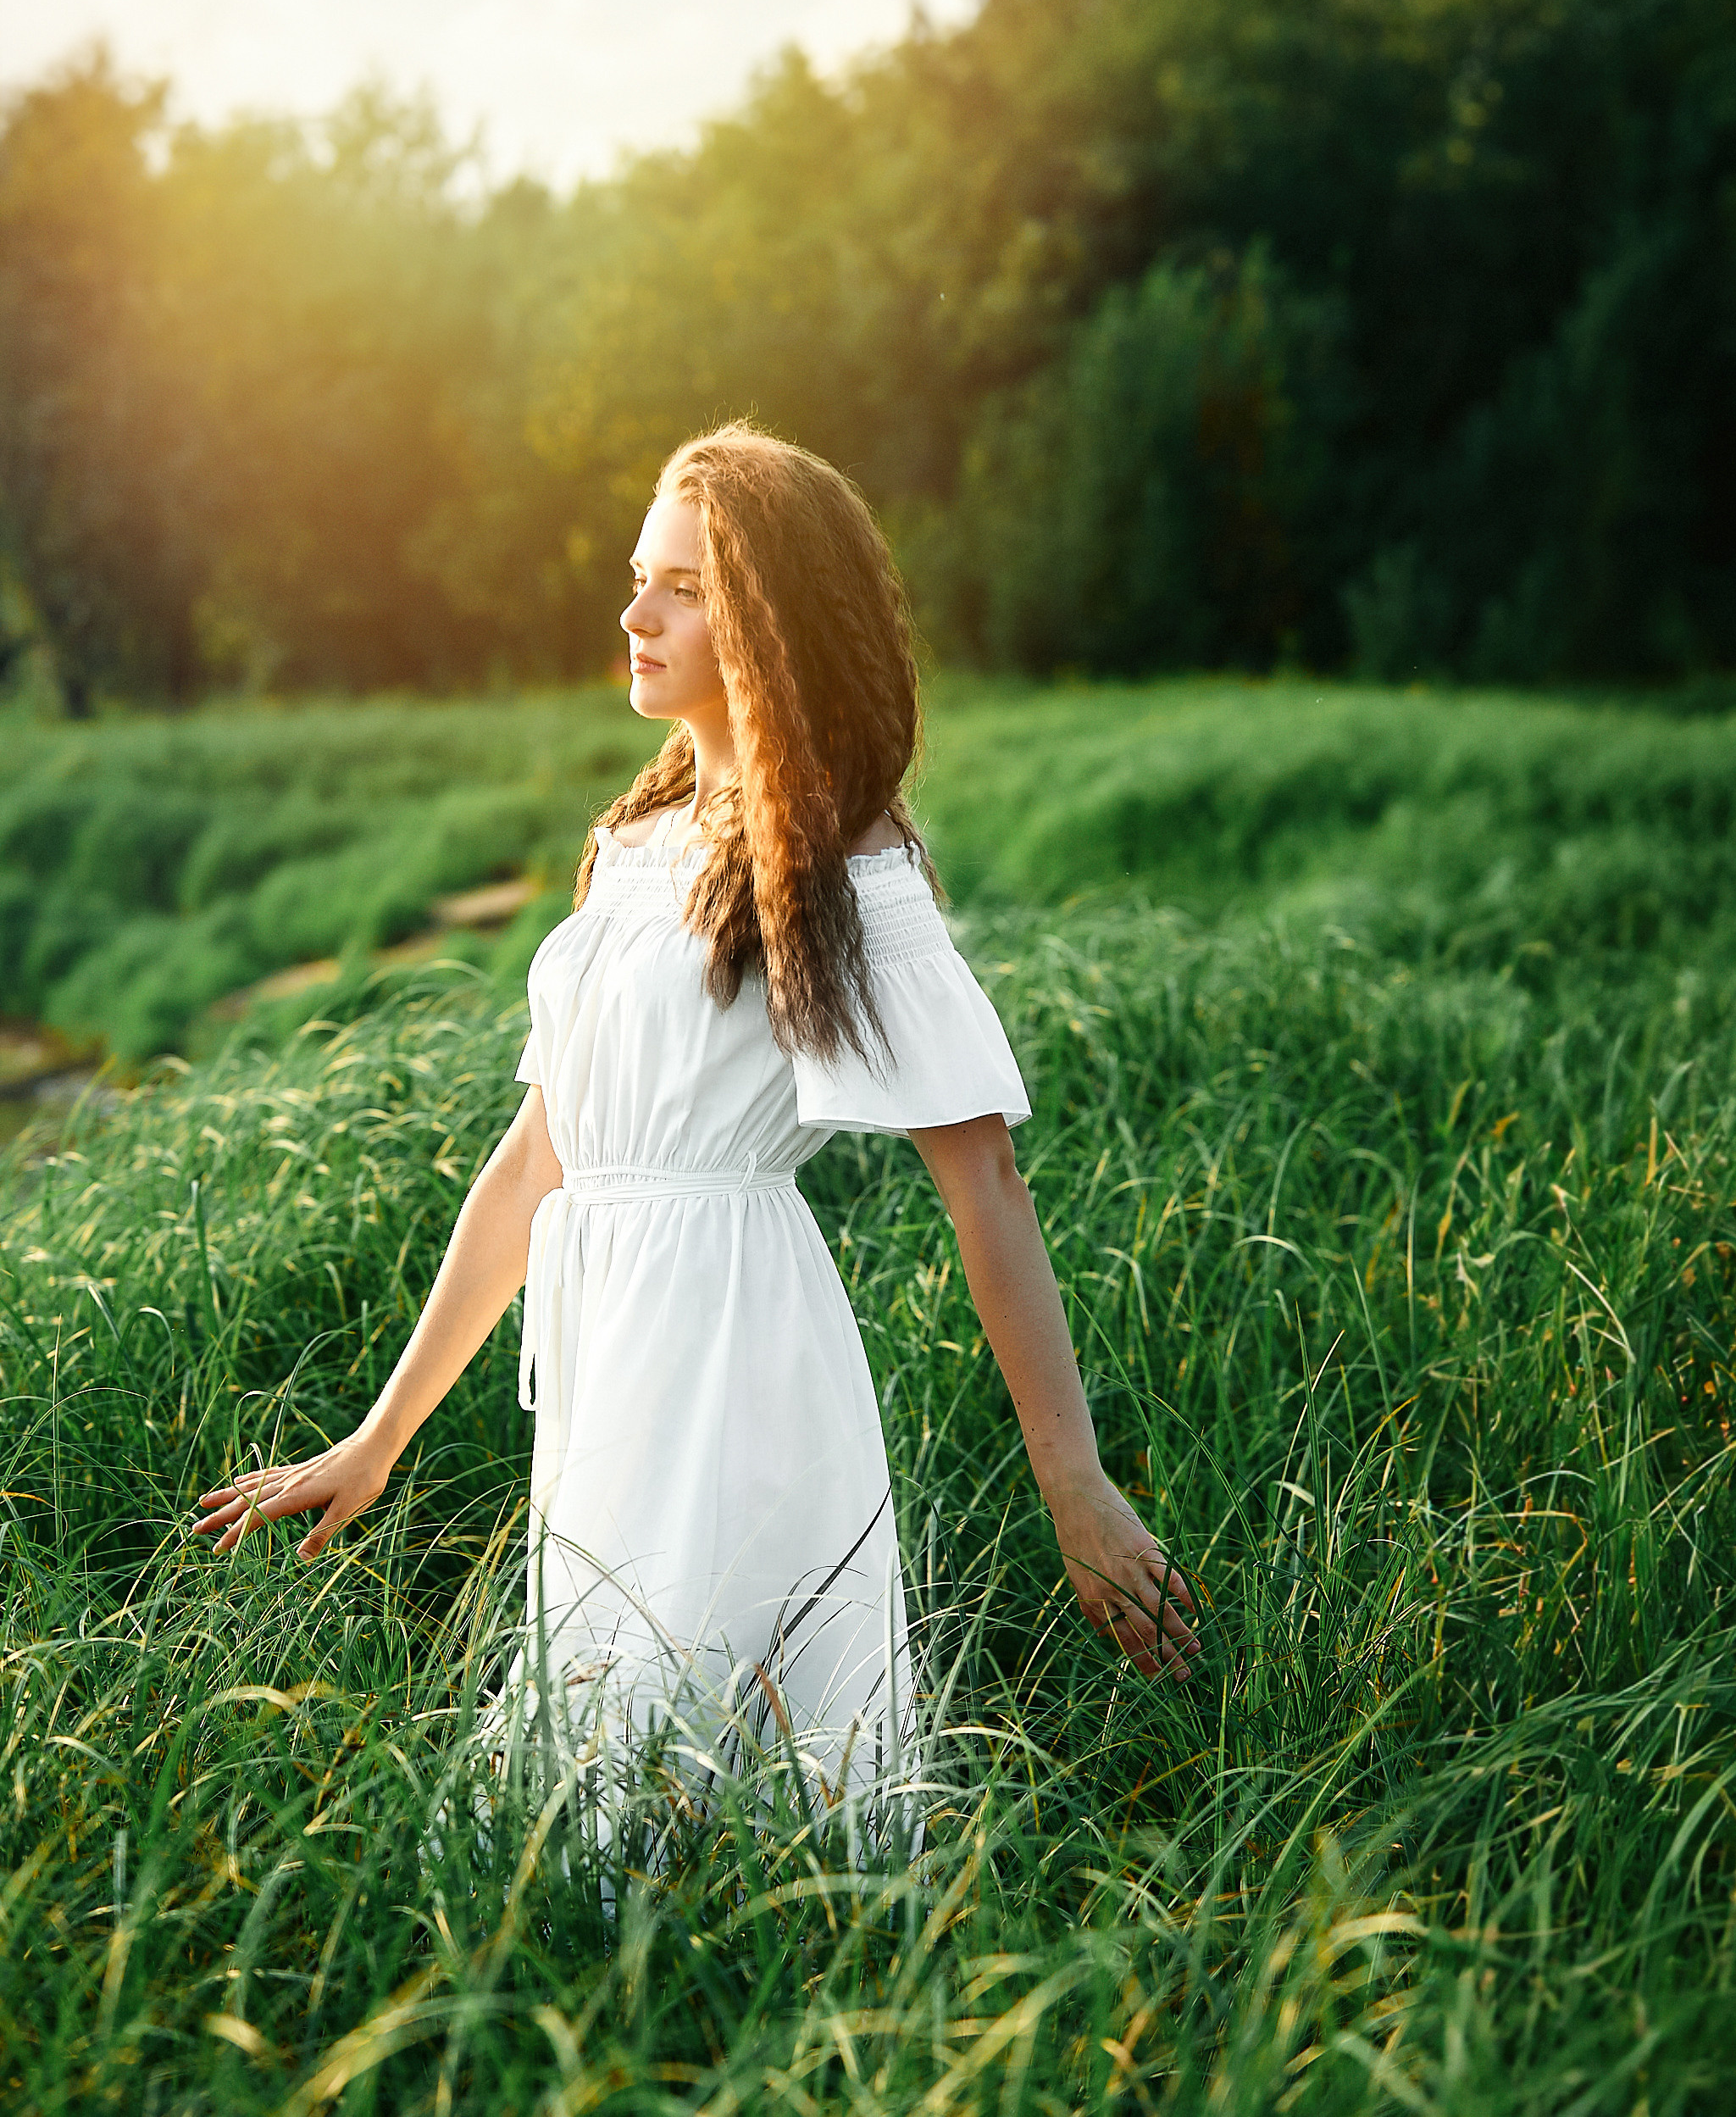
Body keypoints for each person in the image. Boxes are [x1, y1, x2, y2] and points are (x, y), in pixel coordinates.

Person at [194, 423, 1200, 1832]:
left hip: (739, 1345)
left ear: (767, 624)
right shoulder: (631, 841)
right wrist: (377, 1439)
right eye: (636, 576)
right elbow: (540, 1163)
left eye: (679, 587)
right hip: (606, 1352)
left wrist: (1075, 1485)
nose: (632, 612)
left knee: (734, 1778)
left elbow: (985, 1186)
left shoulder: (848, 858)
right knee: (602, 1764)